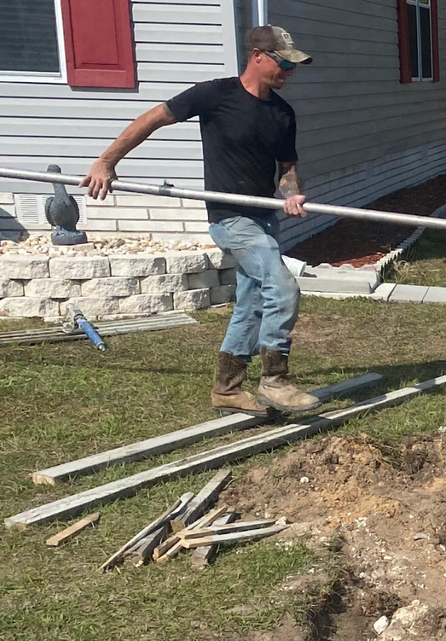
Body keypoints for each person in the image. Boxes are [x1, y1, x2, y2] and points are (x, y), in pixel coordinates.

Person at [84, 25, 322, 415]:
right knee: (282, 287)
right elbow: (153, 118)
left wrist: (291, 191)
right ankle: (275, 379)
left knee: (252, 303)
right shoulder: (216, 94)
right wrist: (107, 161)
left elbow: (288, 169)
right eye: (284, 64)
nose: (290, 73)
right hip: (230, 219)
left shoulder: (283, 113)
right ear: (258, 56)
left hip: (264, 218)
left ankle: (227, 389)